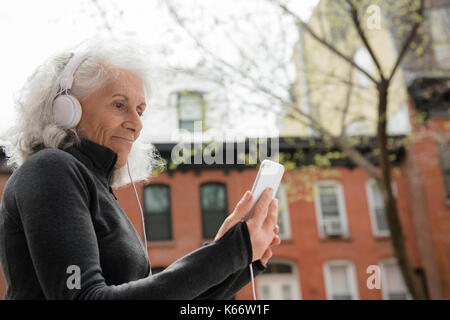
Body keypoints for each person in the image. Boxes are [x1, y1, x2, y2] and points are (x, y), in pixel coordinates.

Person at [0, 37, 281, 299]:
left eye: (140, 110)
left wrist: (237, 261)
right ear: (66, 108)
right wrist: (230, 251)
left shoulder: (97, 187)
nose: (136, 123)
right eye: (120, 105)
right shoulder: (51, 169)